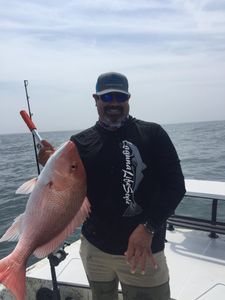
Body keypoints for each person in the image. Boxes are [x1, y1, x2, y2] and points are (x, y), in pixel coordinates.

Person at [39, 72, 186, 300]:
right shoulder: (79, 142)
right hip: (95, 250)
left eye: (120, 97)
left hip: (143, 250)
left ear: (128, 98)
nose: (114, 103)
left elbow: (176, 187)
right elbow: (69, 186)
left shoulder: (153, 134)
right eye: (107, 98)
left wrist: (148, 228)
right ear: (95, 99)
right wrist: (53, 164)